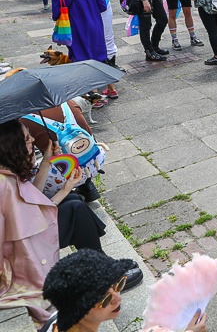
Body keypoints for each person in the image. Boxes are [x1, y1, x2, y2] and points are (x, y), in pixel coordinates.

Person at [0, 119, 142, 325]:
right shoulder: (4, 185)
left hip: (29, 237)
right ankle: (101, 275)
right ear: (11, 145)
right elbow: (31, 221)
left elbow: (33, 202)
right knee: (75, 207)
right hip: (23, 254)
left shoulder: (7, 172)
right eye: (27, 139)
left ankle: (100, 265)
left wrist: (48, 163)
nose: (32, 141)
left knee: (74, 200)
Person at [43, 250, 195, 332]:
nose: (117, 298)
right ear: (78, 312)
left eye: (117, 284)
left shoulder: (59, 319)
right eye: (104, 299)